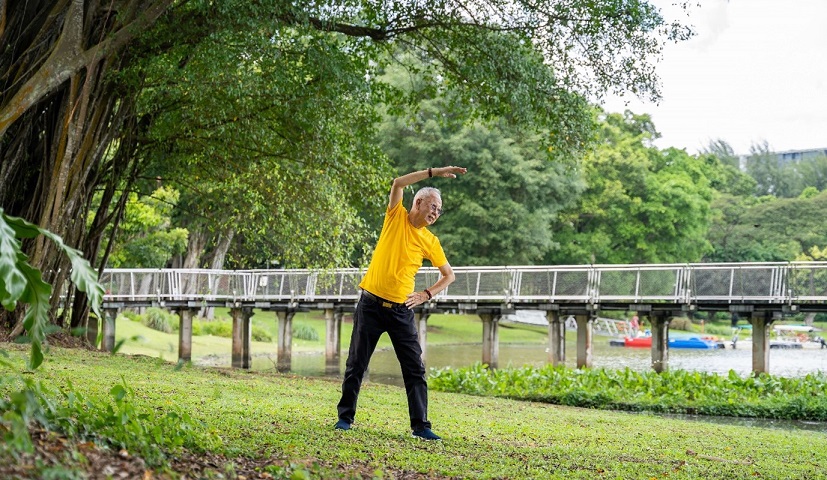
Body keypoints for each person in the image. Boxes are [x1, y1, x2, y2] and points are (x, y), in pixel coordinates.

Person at [334, 166, 467, 441]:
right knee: (356, 364)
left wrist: (426, 294)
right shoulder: (396, 217)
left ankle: (421, 426)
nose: (435, 213)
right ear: (418, 202)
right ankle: (345, 419)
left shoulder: (431, 241)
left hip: (401, 311)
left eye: (439, 210)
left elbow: (449, 275)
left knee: (414, 369)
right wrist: (434, 172)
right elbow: (397, 182)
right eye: (433, 206)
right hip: (370, 304)